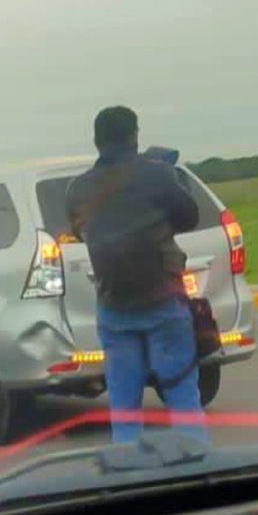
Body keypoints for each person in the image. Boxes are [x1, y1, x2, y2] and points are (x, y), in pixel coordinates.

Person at [65, 106, 207, 445]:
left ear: (97, 142)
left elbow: (83, 232)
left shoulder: (77, 190)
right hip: (164, 302)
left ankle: (131, 478)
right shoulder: (156, 175)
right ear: (135, 136)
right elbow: (190, 217)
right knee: (182, 396)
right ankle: (197, 471)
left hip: (114, 308)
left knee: (125, 407)